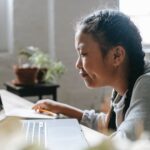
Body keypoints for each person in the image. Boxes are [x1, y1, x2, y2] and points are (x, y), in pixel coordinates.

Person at [32, 9, 150, 141]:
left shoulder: (146, 85)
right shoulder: (126, 83)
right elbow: (108, 124)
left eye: (83, 54)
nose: (78, 64)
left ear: (117, 55)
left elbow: (124, 142)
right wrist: (60, 108)